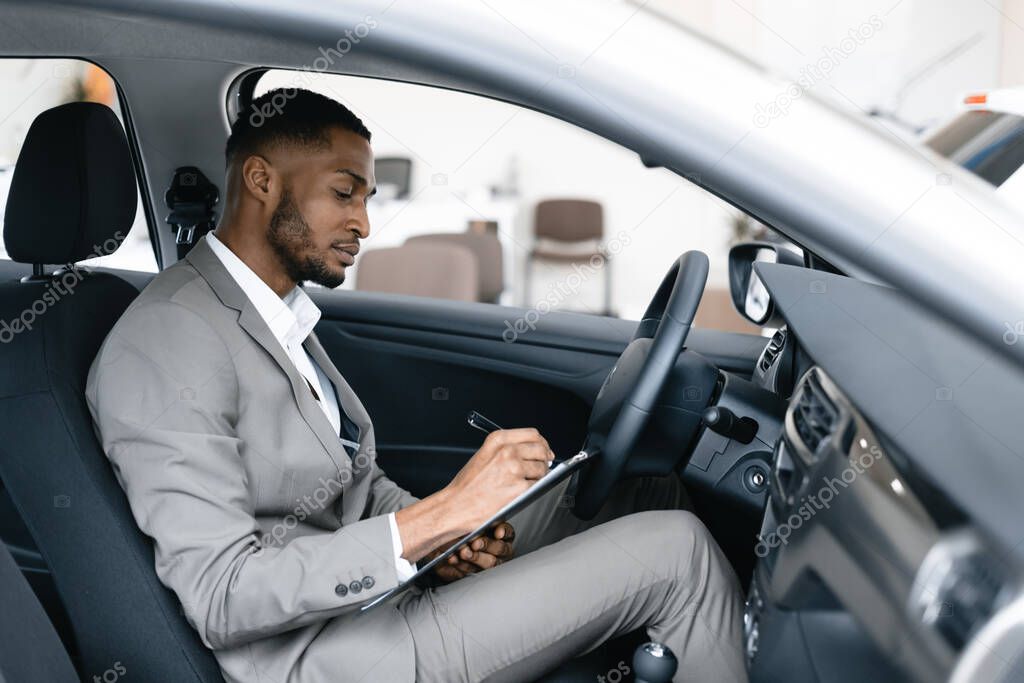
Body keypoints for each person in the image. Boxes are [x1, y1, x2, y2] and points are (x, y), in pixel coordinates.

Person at [85, 88, 746, 683]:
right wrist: (434, 521)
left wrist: (445, 545)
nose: (365, 224)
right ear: (261, 180)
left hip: (380, 596)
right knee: (680, 555)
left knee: (642, 489)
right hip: (338, 653)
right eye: (344, 193)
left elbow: (352, 486)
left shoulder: (269, 308)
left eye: (367, 199)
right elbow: (224, 594)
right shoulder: (167, 338)